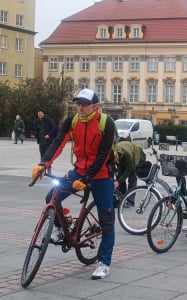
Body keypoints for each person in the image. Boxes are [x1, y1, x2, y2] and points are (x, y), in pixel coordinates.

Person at [31, 88, 115, 280]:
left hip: (101, 174)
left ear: (95, 106)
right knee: (51, 196)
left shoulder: (106, 123)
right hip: (79, 170)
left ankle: (104, 262)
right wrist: (44, 163)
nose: (80, 107)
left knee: (106, 217)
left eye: (84, 104)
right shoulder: (73, 120)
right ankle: (62, 228)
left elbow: (103, 155)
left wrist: (86, 180)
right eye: (78, 103)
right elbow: (58, 142)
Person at [31, 109, 59, 174]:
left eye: (41, 113)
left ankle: (49, 171)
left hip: (48, 141)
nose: (40, 114)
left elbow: (54, 128)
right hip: (41, 141)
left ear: (44, 114)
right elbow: (35, 130)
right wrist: (34, 135)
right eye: (39, 113)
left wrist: (49, 134)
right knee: (42, 156)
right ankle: (43, 171)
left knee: (48, 156)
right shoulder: (36, 121)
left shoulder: (48, 120)